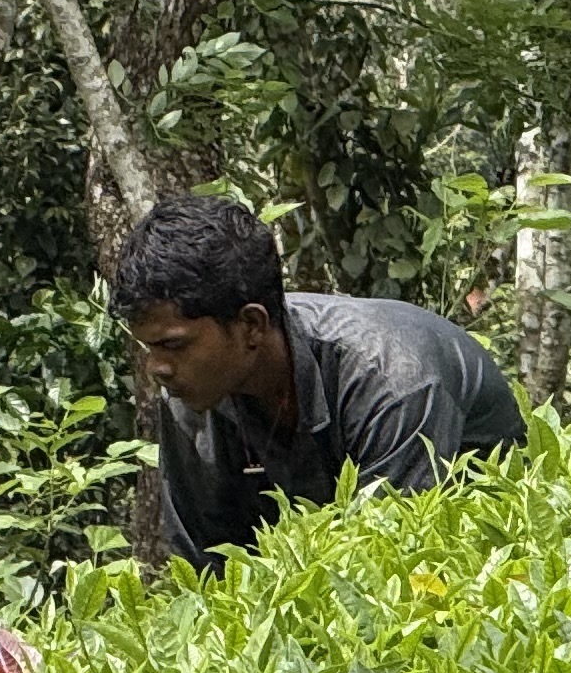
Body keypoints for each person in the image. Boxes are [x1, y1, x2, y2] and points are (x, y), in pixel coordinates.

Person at [114, 193, 525, 568]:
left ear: (251, 325)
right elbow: (203, 568)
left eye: (173, 345)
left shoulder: (392, 378)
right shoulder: (192, 390)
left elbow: (391, 565)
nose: (156, 368)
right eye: (149, 348)